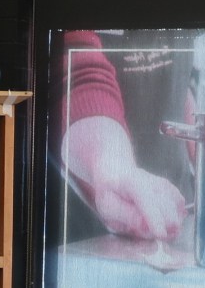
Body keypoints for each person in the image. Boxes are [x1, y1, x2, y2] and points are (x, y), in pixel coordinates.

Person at [58, 29, 189, 243]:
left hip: (178, 207)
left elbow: (179, 84)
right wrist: (112, 167)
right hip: (99, 222)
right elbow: (78, 73)